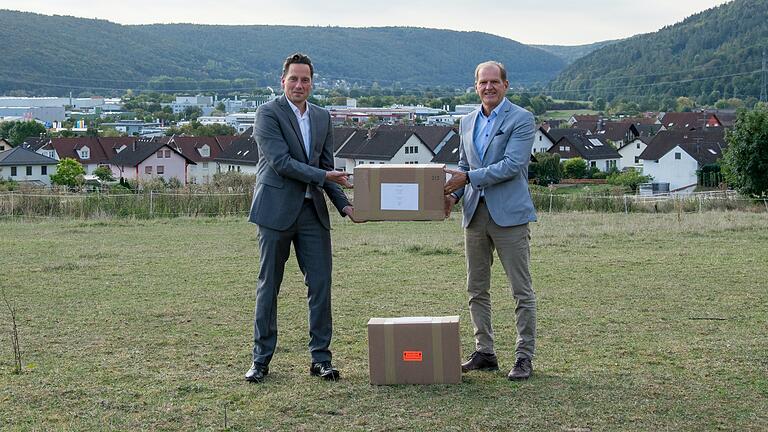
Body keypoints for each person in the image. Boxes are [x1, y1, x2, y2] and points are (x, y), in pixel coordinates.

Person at [245, 53, 355, 383]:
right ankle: (260, 360)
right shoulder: (267, 113)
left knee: (320, 285)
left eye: (305, 79)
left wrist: (346, 206)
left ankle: (321, 359)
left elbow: (326, 165)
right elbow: (281, 163)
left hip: (312, 214)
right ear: (283, 81)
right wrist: (324, 178)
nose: (299, 84)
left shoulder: (322, 117)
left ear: (312, 82)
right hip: (275, 211)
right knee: (269, 287)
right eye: (293, 79)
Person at [443, 60, 537, 380]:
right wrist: (452, 198)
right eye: (483, 83)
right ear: (476, 87)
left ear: (506, 85)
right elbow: (462, 164)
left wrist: (467, 178)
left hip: (509, 216)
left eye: (494, 82)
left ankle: (524, 357)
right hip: (474, 214)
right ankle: (485, 352)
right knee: (476, 288)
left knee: (520, 290)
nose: (489, 87)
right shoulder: (467, 121)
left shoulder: (522, 119)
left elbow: (512, 165)